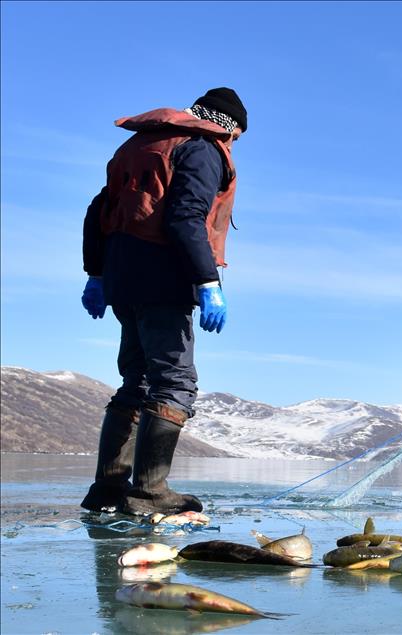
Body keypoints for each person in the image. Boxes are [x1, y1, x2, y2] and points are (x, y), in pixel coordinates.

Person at [79, 88, 248, 516]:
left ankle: (108, 489)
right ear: (226, 125)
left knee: (136, 381)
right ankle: (150, 492)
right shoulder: (201, 148)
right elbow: (185, 217)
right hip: (163, 277)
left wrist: (96, 274)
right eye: (236, 137)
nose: (232, 145)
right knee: (174, 381)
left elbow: (98, 211)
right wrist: (208, 280)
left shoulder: (138, 145)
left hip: (122, 275)